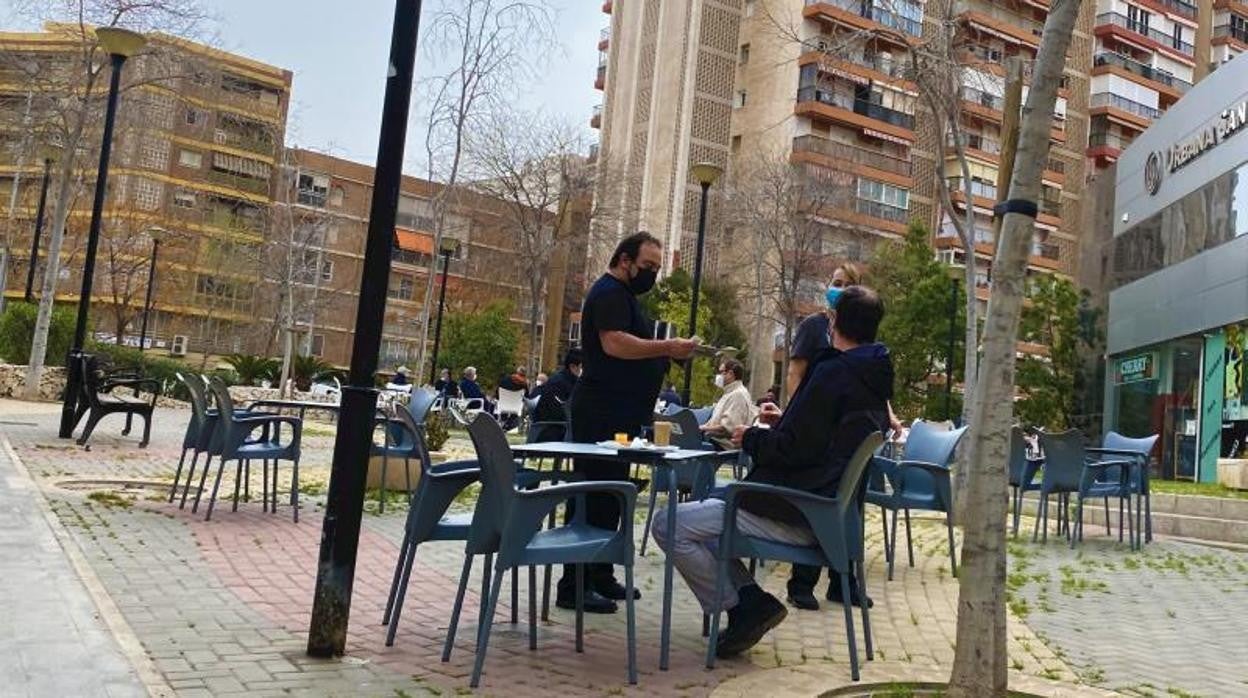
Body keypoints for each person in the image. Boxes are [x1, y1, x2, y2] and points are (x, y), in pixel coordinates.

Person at [651, 286, 893, 658]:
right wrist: (785, 422)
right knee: (706, 524)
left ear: (835, 321)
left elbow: (794, 450)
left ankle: (741, 607)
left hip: (795, 510)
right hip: (826, 514)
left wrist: (750, 438)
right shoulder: (871, 377)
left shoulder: (832, 372)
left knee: (668, 524)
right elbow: (822, 439)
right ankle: (749, 601)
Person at [556, 231, 699, 614]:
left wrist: (670, 350)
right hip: (600, 409)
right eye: (647, 267)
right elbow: (614, 343)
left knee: (612, 496)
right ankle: (574, 583)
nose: (651, 274)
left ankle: (600, 572)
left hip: (621, 413)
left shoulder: (625, 298)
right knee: (592, 493)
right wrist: (667, 347)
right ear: (624, 260)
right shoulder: (607, 294)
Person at [784, 267, 902, 611]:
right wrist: (798, 417)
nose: (840, 289)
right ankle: (802, 581)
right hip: (820, 426)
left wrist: (887, 412)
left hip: (855, 432)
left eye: (848, 285)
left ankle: (844, 581)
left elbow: (871, 384)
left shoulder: (864, 338)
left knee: (851, 508)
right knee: (817, 499)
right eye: (835, 283)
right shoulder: (814, 328)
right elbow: (797, 374)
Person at [531, 349, 582, 441]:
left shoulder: (563, 380)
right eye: (582, 367)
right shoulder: (560, 383)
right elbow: (563, 411)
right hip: (551, 429)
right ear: (573, 367)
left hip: (553, 426)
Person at [700, 358, 756, 438]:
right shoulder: (730, 393)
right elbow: (715, 422)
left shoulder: (738, 395)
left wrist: (702, 428)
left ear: (730, 374)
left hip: (722, 446)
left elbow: (727, 428)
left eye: (721, 372)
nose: (718, 376)